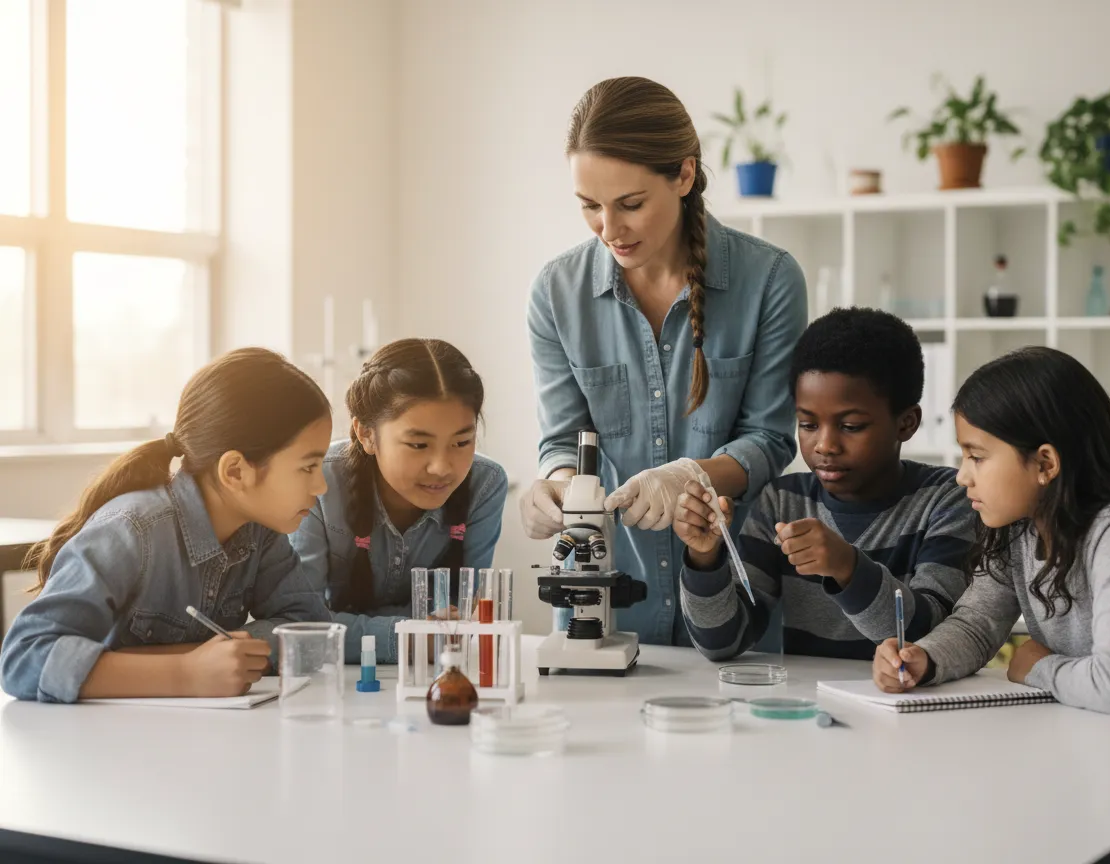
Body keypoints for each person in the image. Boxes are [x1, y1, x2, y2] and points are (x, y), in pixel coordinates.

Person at [521, 76, 807, 645]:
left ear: (684, 175)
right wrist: (556, 487)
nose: (610, 229)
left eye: (630, 204)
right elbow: (564, 440)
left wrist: (691, 475)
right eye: (589, 206)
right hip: (603, 604)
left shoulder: (770, 280)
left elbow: (771, 439)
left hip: (734, 595)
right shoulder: (557, 292)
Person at [0, 348, 333, 703]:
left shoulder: (259, 531)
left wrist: (217, 655)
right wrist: (186, 672)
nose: (322, 486)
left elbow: (309, 630)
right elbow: (24, 658)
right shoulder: (131, 531)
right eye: (308, 467)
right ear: (235, 471)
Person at [873, 347, 1110, 715]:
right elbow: (977, 624)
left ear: (1045, 463)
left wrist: (1038, 667)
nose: (961, 475)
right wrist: (923, 659)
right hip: (1107, 723)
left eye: (977, 456)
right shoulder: (1018, 528)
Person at [676, 308, 974, 660]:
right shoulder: (782, 502)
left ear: (906, 423)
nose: (824, 446)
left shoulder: (946, 500)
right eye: (808, 424)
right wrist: (705, 558)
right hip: (810, 706)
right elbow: (722, 643)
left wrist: (848, 568)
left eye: (850, 426)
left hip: (908, 707)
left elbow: (932, 640)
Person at [291, 339, 508, 664]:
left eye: (462, 441)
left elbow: (461, 617)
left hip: (433, 676)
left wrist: (424, 632)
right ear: (365, 434)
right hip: (333, 683)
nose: (442, 467)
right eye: (419, 445)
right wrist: (408, 635)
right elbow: (302, 625)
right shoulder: (318, 481)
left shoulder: (485, 485)